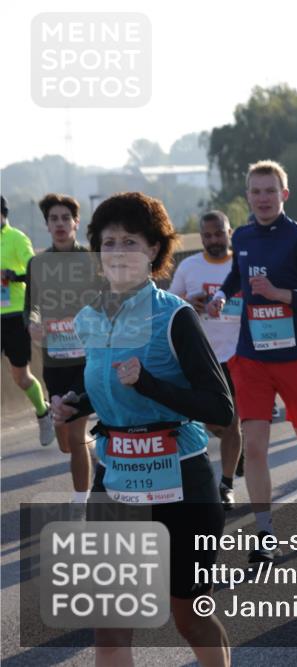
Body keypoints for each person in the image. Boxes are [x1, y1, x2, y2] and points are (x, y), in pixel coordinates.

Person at [50, 191, 233, 666]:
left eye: (130, 241)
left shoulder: (174, 316)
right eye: (108, 243)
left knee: (188, 618)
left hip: (182, 484)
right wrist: (75, 406)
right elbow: (106, 384)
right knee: (110, 629)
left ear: (153, 250)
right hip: (115, 484)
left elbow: (220, 408)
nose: (117, 253)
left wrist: (150, 383)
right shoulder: (90, 318)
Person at [206, 160, 297, 563]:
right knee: (256, 446)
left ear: (285, 193)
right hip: (251, 358)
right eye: (256, 191)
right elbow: (236, 276)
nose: (263, 197)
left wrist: (281, 293)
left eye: (270, 190)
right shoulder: (243, 235)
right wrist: (222, 296)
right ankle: (264, 533)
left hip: (296, 355)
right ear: (247, 196)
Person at [169, 211, 244, 510]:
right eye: (207, 236)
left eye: (219, 234)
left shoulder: (241, 264)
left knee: (232, 422)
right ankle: (236, 450)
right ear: (201, 237)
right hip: (201, 358)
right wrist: (190, 302)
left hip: (238, 354)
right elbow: (171, 303)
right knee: (215, 424)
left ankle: (225, 485)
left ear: (230, 232)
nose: (214, 240)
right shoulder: (189, 266)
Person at [24, 193, 95, 503]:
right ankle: (96, 452)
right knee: (65, 441)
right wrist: (33, 324)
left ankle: (82, 502)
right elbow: (31, 308)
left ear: (76, 223)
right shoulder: (37, 263)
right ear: (47, 225)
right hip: (54, 362)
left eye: (66, 218)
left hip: (85, 361)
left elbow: (106, 302)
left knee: (77, 435)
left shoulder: (92, 260)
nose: (61, 224)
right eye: (54, 219)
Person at [0, 195, 55, 445]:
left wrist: (13, 275)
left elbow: (33, 272)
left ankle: (43, 413)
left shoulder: (16, 238)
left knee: (21, 377)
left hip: (13, 316)